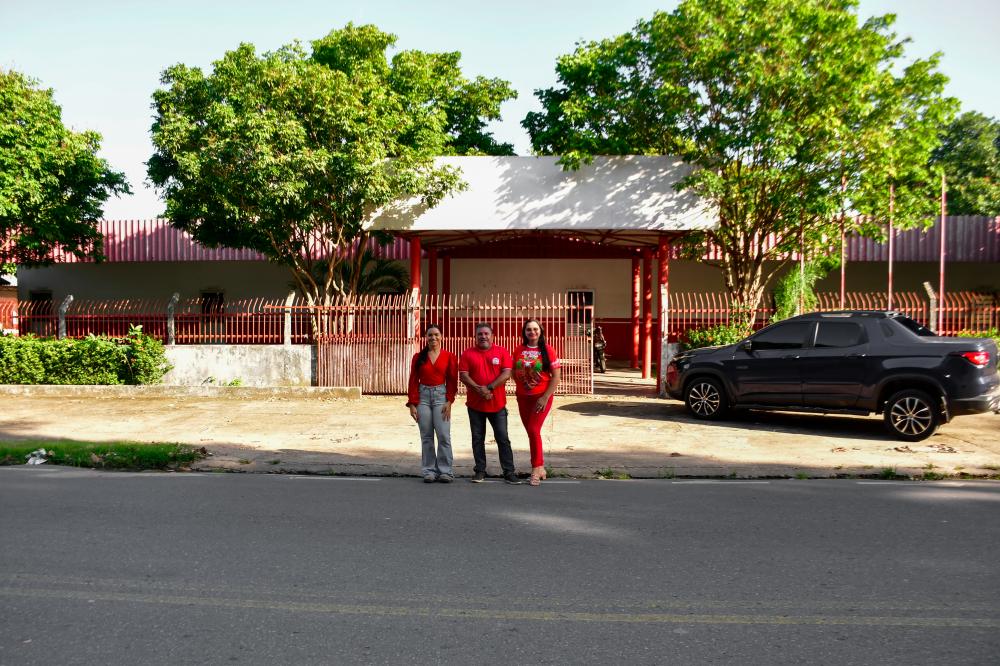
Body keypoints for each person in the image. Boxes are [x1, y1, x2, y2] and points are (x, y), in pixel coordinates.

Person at [458, 322, 520, 484]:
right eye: (480, 334)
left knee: (503, 438)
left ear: (492, 336)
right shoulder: (467, 353)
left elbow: (507, 373)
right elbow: (463, 376)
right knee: (477, 438)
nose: (483, 336)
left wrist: (489, 388)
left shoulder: (502, 352)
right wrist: (479, 390)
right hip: (475, 406)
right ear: (475, 337)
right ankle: (480, 471)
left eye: (486, 333)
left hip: (497, 405)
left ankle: (509, 472)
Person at [406, 324, 458, 483]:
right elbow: (413, 380)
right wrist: (412, 404)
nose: (433, 338)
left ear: (441, 337)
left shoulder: (449, 356)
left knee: (443, 435)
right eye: (430, 335)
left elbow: (452, 380)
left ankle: (445, 471)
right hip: (423, 398)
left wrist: (449, 401)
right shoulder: (418, 357)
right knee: (426, 436)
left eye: (436, 334)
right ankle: (429, 470)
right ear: (426, 338)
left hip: (441, 397)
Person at [512, 319, 561, 486]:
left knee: (533, 430)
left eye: (535, 329)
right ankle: (541, 468)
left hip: (541, 398)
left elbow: (556, 377)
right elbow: (513, 370)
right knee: (532, 433)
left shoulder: (548, 350)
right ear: (524, 333)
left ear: (540, 331)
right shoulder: (519, 349)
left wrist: (545, 397)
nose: (532, 332)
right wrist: (522, 383)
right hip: (523, 398)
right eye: (528, 330)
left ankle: (536, 468)